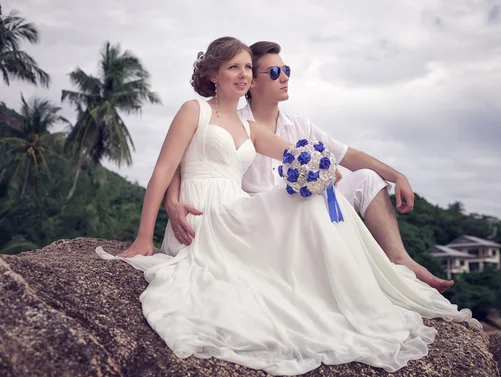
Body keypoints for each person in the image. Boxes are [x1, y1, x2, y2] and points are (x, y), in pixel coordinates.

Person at [96, 36, 475, 376]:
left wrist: (321, 169)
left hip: (238, 211)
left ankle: (378, 275)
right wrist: (148, 232)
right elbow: (165, 169)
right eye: (234, 67)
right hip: (204, 214)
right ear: (213, 73)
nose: (243, 74)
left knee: (313, 194)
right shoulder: (193, 110)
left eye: (247, 67)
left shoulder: (250, 129)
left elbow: (300, 154)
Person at [163, 41, 454, 293]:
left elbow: (349, 156)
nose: (285, 77)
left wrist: (397, 176)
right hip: (253, 215)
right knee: (312, 197)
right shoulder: (229, 120)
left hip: (297, 209)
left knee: (365, 178)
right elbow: (184, 160)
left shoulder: (300, 125)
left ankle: (398, 257)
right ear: (251, 83)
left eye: (287, 70)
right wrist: (173, 201)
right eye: (274, 72)